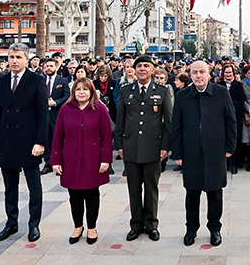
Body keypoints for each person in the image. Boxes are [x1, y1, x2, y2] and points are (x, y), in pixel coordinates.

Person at [171, 61, 236, 247]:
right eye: (194, 72)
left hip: (215, 152)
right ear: (189, 75)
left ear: (209, 74)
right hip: (191, 153)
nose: (198, 76)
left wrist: (230, 147)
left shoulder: (221, 92)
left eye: (202, 72)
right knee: (192, 194)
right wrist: (178, 152)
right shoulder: (183, 95)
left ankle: (214, 228)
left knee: (215, 193)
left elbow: (230, 121)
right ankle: (191, 229)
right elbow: (176, 126)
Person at [0, 43, 48, 243]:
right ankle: (11, 223)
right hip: (6, 143)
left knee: (34, 187)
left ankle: (34, 225)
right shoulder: (1, 82)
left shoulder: (37, 81)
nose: (14, 61)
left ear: (26, 59)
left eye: (18, 57)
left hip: (30, 142)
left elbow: (43, 114)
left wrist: (40, 141)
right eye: (11, 57)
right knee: (10, 187)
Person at [114, 55, 172, 242]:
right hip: (130, 146)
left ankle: (151, 224)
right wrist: (120, 145)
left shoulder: (162, 91)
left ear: (153, 70)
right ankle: (136, 225)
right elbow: (120, 120)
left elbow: (168, 123)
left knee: (151, 187)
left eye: (146, 66)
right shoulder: (125, 91)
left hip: (153, 147)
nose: (142, 69)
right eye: (139, 66)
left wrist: (165, 146)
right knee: (133, 188)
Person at [51, 77, 113, 245]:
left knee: (92, 194)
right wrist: (55, 160)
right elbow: (57, 136)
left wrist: (106, 160)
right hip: (70, 159)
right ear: (73, 92)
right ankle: (78, 226)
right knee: (74, 195)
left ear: (91, 91)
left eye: (85, 89)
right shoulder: (65, 110)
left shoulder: (100, 109)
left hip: (93, 159)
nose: (81, 92)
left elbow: (107, 136)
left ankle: (92, 227)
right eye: (78, 89)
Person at [41, 58, 71, 175]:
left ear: (56, 67)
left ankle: (61, 164)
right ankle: (48, 163)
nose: (48, 68)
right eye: (46, 66)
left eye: (51, 66)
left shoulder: (62, 81)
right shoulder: (41, 80)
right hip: (44, 115)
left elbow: (67, 96)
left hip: (57, 114)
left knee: (58, 140)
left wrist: (56, 103)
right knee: (47, 140)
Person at [217, 63, 245, 174]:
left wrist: (231, 108)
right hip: (221, 117)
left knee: (235, 139)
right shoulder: (219, 85)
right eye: (226, 72)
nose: (228, 74)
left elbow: (241, 100)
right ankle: (225, 163)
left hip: (235, 116)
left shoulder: (238, 85)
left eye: (230, 72)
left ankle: (234, 163)